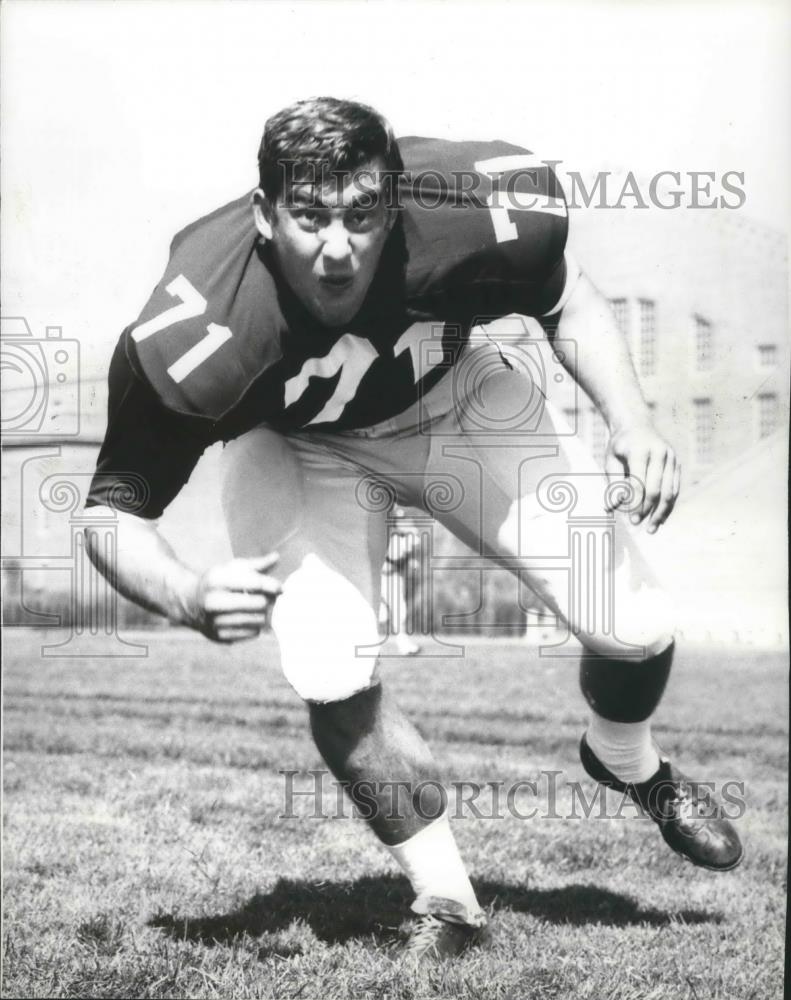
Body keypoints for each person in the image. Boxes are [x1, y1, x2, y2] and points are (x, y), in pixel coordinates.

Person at [85, 97, 743, 962]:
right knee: (328, 663)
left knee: (635, 627)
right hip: (299, 444)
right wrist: (185, 591)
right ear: (261, 215)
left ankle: (625, 758)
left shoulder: (473, 217)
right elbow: (111, 512)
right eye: (309, 216)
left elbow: (567, 297)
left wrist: (631, 420)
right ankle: (448, 899)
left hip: (453, 399)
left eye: (362, 216)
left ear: (394, 209)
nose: (336, 247)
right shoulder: (195, 331)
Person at [379, 508, 422, 656]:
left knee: (399, 612)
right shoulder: (390, 535)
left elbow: (412, 543)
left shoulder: (404, 537)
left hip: (393, 577)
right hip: (381, 577)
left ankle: (404, 645)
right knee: (380, 615)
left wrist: (411, 560)